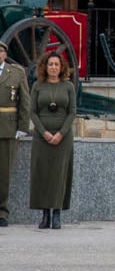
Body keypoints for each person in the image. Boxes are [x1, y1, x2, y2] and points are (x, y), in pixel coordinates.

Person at [29, 50, 75, 228]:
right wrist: (44, 132)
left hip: (63, 137)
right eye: (50, 64)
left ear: (61, 67)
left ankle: (57, 212)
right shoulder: (38, 86)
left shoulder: (68, 86)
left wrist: (60, 134)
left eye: (56, 64)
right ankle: (44, 214)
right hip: (42, 137)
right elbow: (32, 112)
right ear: (45, 67)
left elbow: (72, 112)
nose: (53, 67)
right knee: (42, 174)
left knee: (59, 174)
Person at [0, 40, 30, 227]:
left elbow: (24, 101)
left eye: (0, 51)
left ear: (5, 54)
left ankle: (2, 211)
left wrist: (22, 127)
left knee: (4, 173)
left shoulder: (16, 73)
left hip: (7, 127)